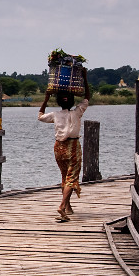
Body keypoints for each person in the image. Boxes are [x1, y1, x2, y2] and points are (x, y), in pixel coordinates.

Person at [38, 66, 91, 222]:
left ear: (59, 101)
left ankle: (68, 207)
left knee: (64, 176)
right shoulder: (77, 112)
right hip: (72, 147)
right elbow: (87, 97)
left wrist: (46, 99)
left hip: (58, 148)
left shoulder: (55, 114)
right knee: (71, 178)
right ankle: (62, 206)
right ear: (73, 101)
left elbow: (40, 116)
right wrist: (85, 78)